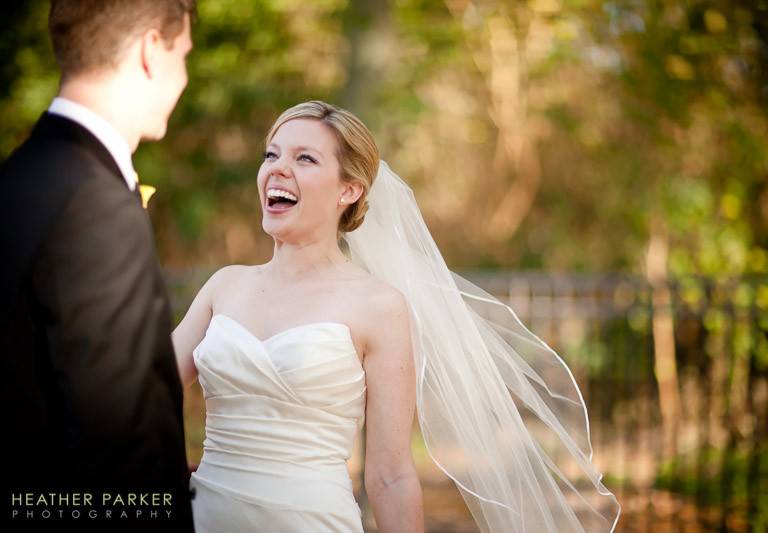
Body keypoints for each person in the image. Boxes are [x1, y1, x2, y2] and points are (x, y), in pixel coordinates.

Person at [174, 100, 620, 532]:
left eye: (305, 158)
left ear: (348, 191)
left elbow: (390, 474)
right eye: (272, 154)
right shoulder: (224, 285)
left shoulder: (378, 306)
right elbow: (142, 393)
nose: (278, 168)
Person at [0, 1, 196, 531]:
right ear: (152, 50)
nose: (183, 79)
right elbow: (118, 445)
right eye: (184, 56)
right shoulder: (95, 203)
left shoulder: (19, 179)